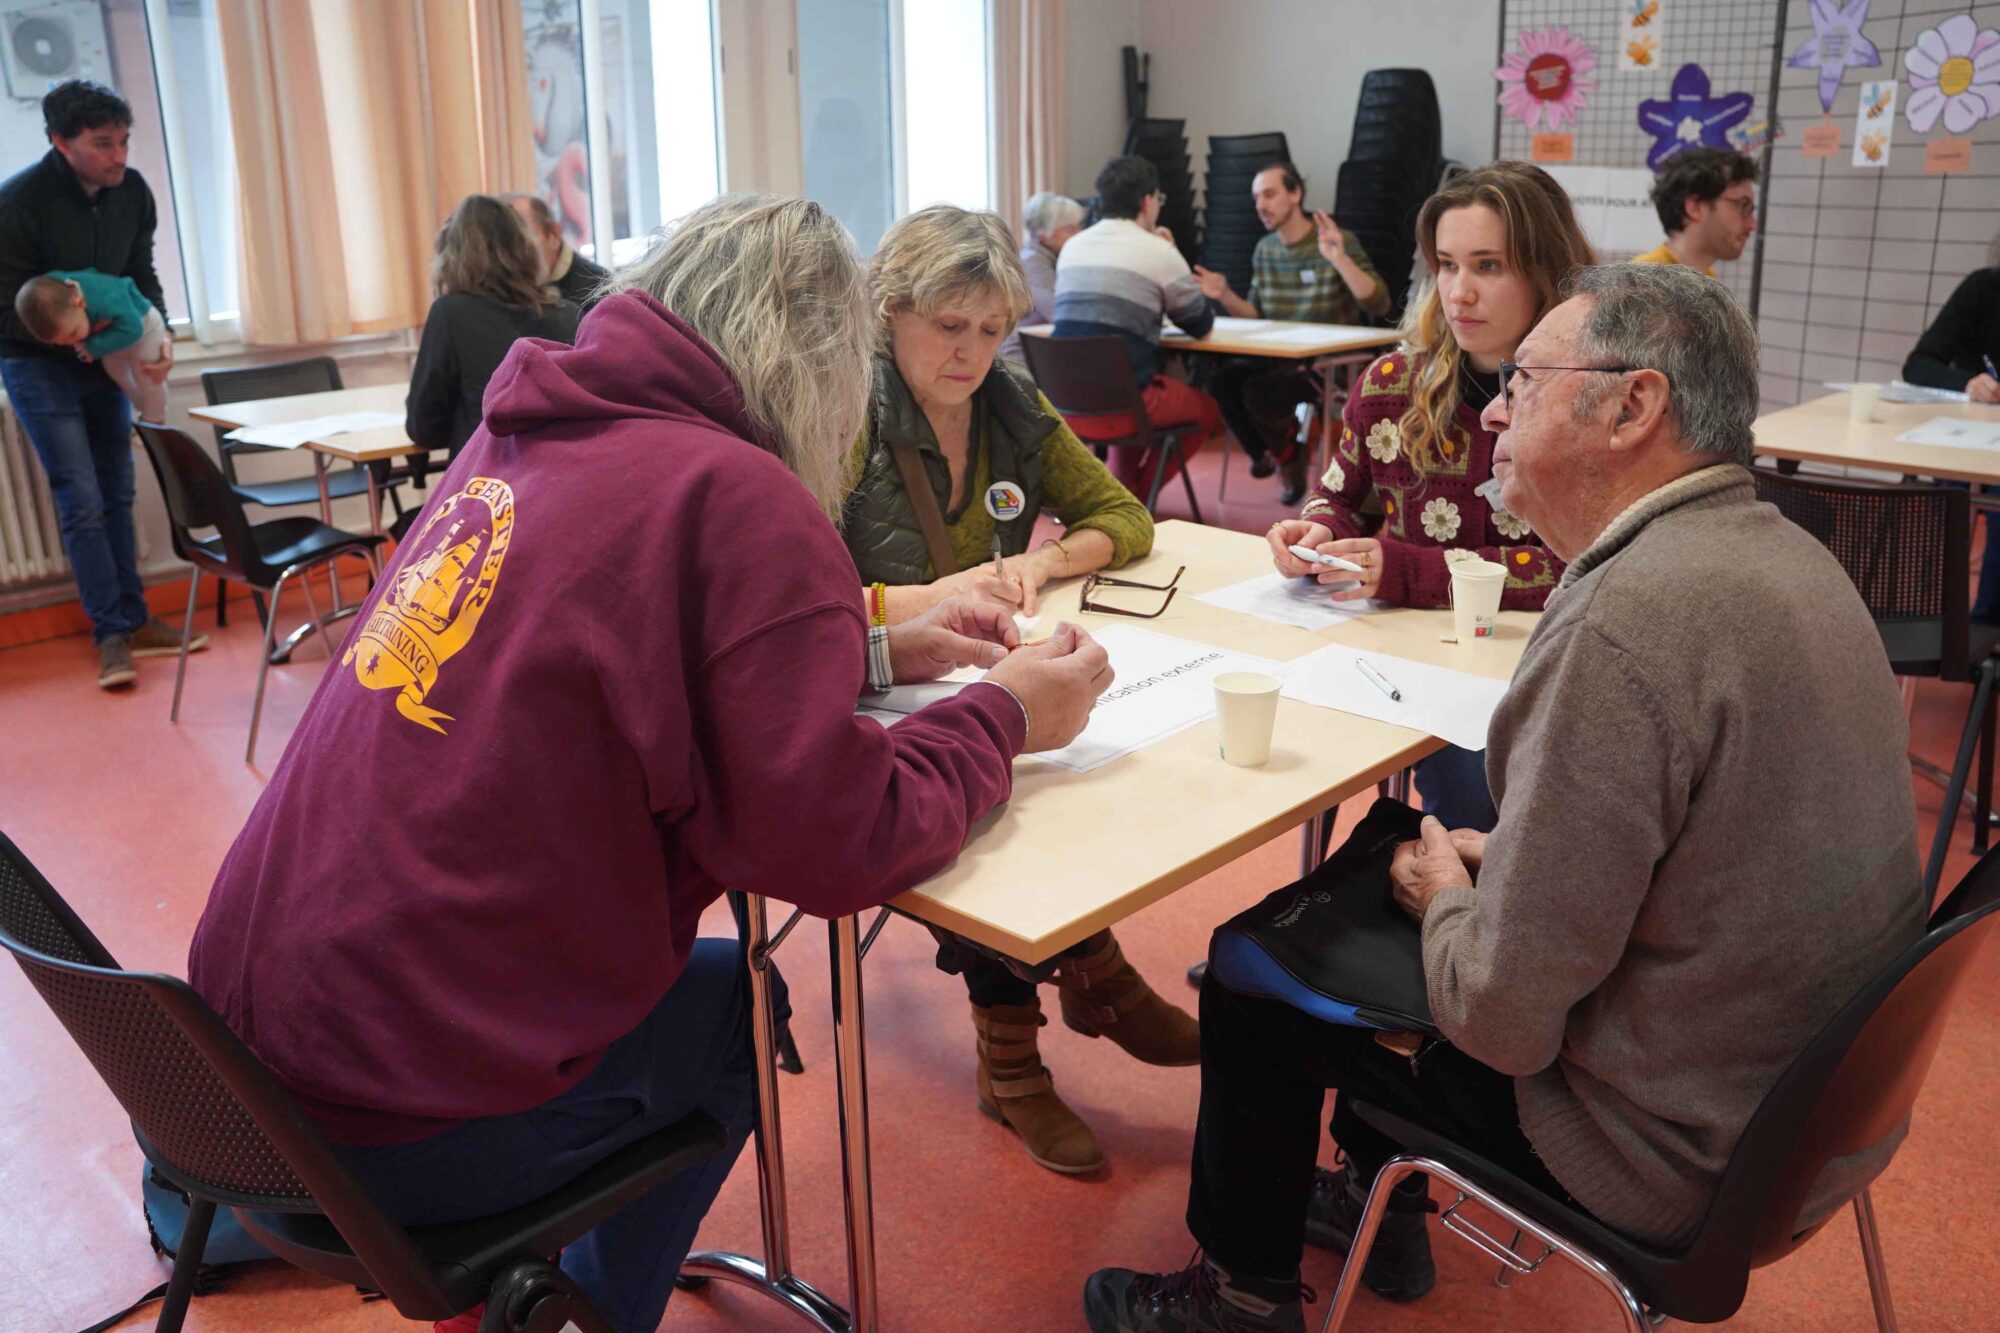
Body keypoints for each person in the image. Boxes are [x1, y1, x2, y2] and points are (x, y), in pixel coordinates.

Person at [188, 193, 1116, 1333]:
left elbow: (623, 664)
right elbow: (834, 843)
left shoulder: (515, 437)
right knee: (736, 1016)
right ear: (830, 360)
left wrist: (868, 650)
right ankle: (583, 1318)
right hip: (385, 1127)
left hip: (222, 1073)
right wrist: (1007, 714)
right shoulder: (738, 493)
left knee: (694, 988)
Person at [1083, 262, 1927, 1333]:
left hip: (1665, 1149)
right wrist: (1518, 858)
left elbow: (1499, 1019)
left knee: (1256, 967)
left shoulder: (1626, 625)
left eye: (1523, 383)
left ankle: (1240, 1304)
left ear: (1632, 406)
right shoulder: (1789, 558)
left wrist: (1446, 895)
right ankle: (1375, 1201)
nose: (1492, 410)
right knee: (1404, 862)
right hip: (1809, 1114)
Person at [843, 203, 1189, 1175]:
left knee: (1063, 765)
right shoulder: (843, 416)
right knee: (984, 790)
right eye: (948, 326)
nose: (971, 352)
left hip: (963, 668)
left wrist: (1041, 562)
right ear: (888, 311)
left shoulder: (1010, 402)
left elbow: (1122, 516)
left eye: (992, 329)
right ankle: (1020, 1048)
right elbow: (791, 600)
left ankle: (1086, 969)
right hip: (862, 683)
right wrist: (932, 596)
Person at [1266, 162, 1584, 833]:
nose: (1460, 292)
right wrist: (1316, 533)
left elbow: (1582, 569)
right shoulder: (1390, 384)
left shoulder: (1586, 407)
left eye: (1489, 266)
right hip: (1403, 656)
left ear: (1545, 272)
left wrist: (1411, 572)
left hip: (1536, 667)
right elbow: (1338, 496)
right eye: (1446, 265)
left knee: (1480, 790)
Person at [0, 79, 199, 689]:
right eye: (103, 144)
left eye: (124, 141)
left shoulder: (132, 192)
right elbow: (4, 309)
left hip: (106, 356)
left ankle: (135, 620)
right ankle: (110, 633)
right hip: (38, 365)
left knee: (117, 491)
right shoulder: (17, 204)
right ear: (62, 143)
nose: (119, 156)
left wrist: (159, 340)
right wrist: (72, 340)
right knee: (81, 499)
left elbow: (141, 273)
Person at [1194, 163, 1391, 504]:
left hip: (1331, 364)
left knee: (1259, 391)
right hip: (1280, 358)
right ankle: (1281, 455)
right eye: (1256, 198)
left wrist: (1338, 258)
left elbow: (1379, 302)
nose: (1261, 205)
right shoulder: (1265, 249)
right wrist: (1224, 295)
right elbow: (1256, 314)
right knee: (1221, 383)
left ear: (1295, 193)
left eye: (1269, 194)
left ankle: (1287, 456)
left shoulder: (1334, 240)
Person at [1053, 154, 1224, 503]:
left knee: (1127, 385)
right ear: (1147, 201)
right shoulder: (1157, 251)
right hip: (1128, 404)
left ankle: (1123, 495)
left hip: (1065, 403)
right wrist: (1171, 255)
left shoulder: (1071, 246)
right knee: (1207, 410)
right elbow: (1200, 325)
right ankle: (1135, 498)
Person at [405, 195, 582, 489]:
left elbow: (424, 429)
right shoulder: (568, 314)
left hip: (485, 491)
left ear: (452, 255)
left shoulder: (450, 314)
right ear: (525, 249)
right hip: (557, 485)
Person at [1905, 260, 2000, 620]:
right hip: (1972, 441)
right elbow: (1918, 365)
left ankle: (1985, 625)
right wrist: (1967, 383)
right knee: (1961, 497)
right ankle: (1968, 628)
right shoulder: (1984, 288)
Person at [15, 268, 168, 421]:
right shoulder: (57, 294)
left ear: (80, 303)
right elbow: (42, 290)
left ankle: (156, 419)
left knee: (146, 374)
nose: (73, 343)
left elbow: (134, 329)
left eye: (73, 333)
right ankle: (144, 411)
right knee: (115, 370)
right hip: (114, 332)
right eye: (61, 343)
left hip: (144, 327)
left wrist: (93, 347)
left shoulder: (105, 299)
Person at [1632, 147, 1758, 276]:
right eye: (1743, 206)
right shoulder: (1643, 280)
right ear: (1695, 207)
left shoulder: (1706, 278)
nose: (1752, 225)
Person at [997, 190, 1085, 363]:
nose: (1079, 234)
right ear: (1044, 234)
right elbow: (1058, 313)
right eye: (1070, 229)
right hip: (1022, 357)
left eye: (1079, 227)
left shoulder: (1052, 258)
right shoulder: (1032, 263)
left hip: (1044, 350)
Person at [506, 190, 609, 309]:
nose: (512, 252)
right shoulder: (503, 288)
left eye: (522, 239)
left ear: (554, 235)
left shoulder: (598, 289)